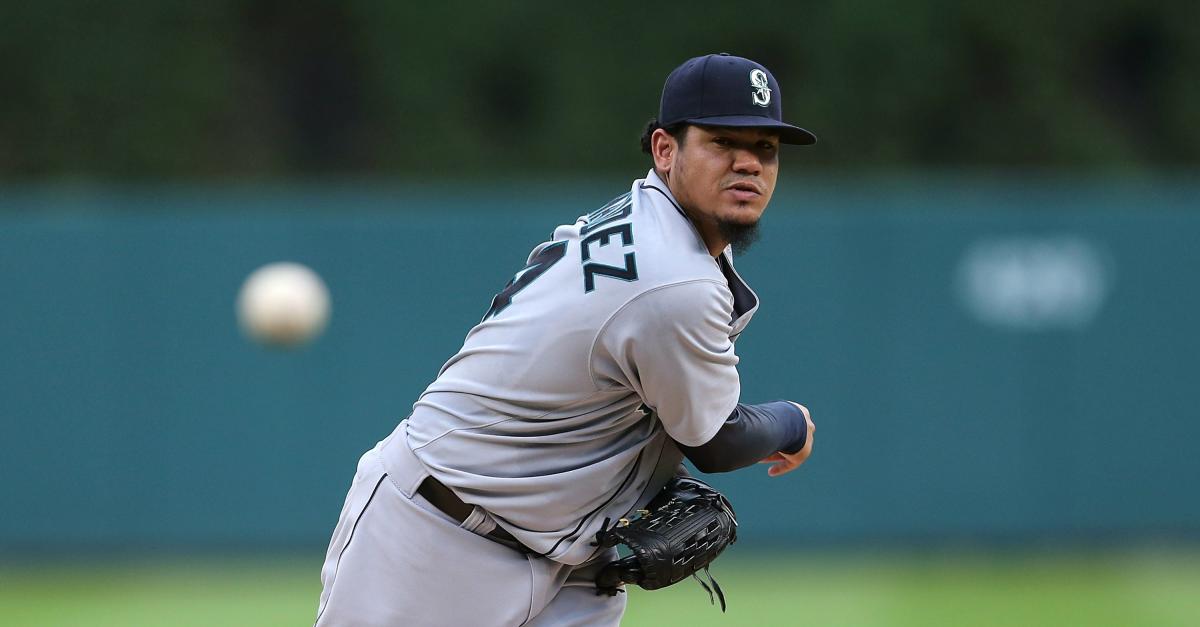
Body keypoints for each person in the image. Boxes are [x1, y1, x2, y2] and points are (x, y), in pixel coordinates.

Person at [314, 52, 819, 627]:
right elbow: (717, 441)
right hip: (436, 539)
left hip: (570, 561)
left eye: (765, 149)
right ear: (665, 149)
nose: (748, 164)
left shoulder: (657, 225)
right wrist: (792, 423)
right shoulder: (674, 275)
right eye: (724, 142)